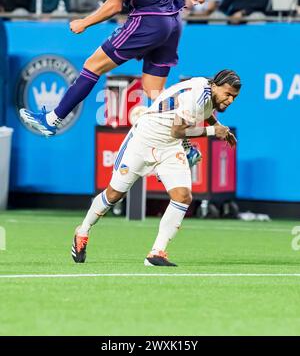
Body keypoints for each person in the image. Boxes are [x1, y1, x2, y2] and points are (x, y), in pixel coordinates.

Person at [20, 0, 208, 137]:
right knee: (154, 91)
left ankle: (53, 119)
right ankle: (186, 142)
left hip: (148, 20)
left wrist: (85, 22)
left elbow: (114, 5)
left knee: (92, 65)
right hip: (173, 21)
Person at [71, 69, 241, 266]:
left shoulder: (207, 91)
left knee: (183, 196)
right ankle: (82, 230)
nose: (230, 100)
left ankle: (156, 252)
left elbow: (205, 111)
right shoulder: (195, 95)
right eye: (228, 94)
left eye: (234, 97)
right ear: (215, 85)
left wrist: (218, 125)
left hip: (169, 147)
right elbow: (178, 131)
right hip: (143, 140)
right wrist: (214, 131)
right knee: (113, 195)